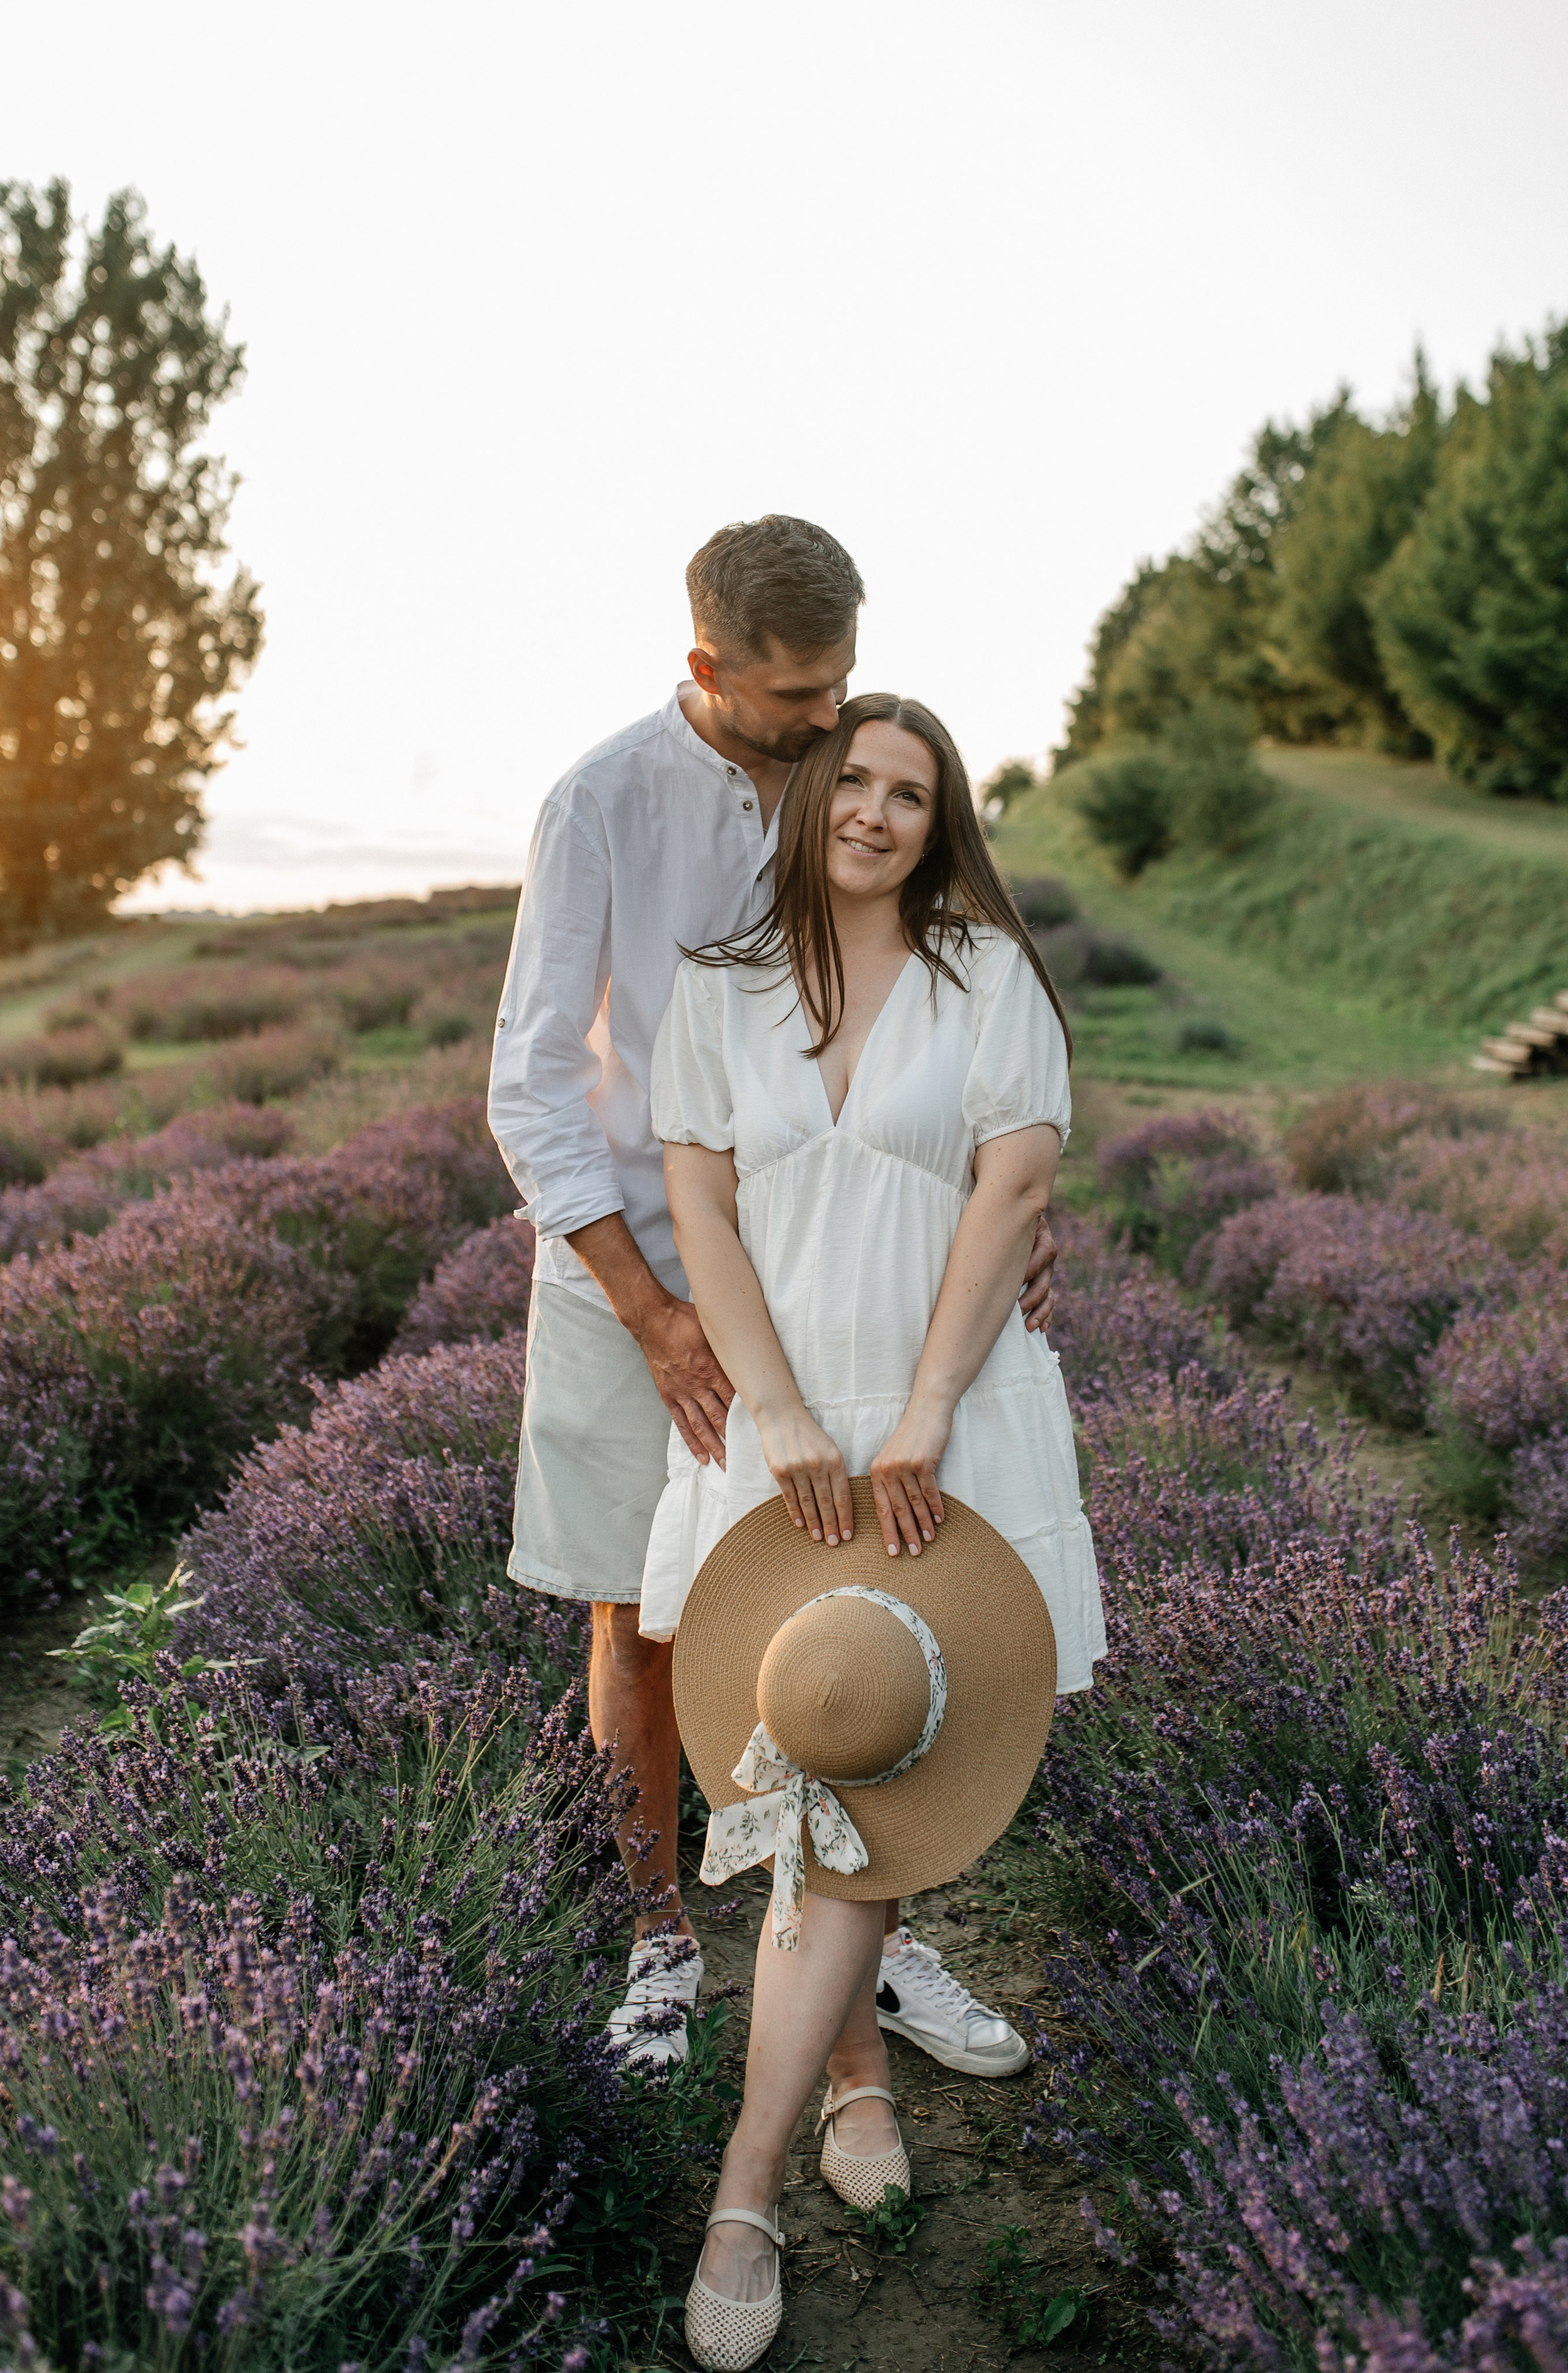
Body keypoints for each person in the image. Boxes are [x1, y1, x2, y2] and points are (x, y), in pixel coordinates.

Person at [488, 522, 1061, 2068]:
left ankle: (873, 1929)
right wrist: (651, 1309)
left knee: (868, 1602)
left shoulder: (843, 779)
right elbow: (531, 1088)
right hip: (635, 1274)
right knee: (646, 1606)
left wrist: (990, 1201)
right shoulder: (598, 805)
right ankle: (660, 1939)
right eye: (798, 694)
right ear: (705, 670)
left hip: (825, 1261)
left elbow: (933, 1008)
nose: (829, 723)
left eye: (844, 685)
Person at [642, 692, 1103, 2364]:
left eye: (914, 793)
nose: (879, 813)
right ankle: (845, 2082)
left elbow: (1015, 1195)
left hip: (945, 1417)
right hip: (784, 1430)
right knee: (812, 1756)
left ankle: (749, 2181)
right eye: (856, 781)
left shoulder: (990, 981)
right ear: (812, 797)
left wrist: (916, 1419)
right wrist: (776, 1416)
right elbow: (700, 1202)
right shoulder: (718, 991)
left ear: (942, 819)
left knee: (879, 1761)